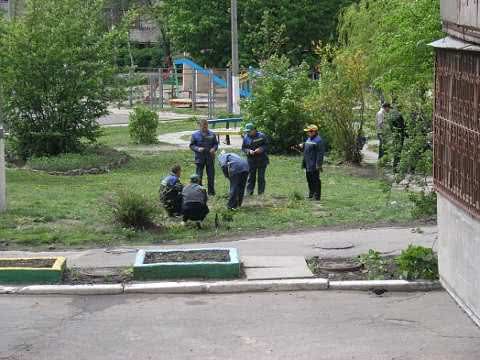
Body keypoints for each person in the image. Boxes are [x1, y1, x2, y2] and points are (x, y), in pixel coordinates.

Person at [189, 119, 219, 196]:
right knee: (199, 175)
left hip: (210, 158)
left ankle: (211, 192)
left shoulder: (212, 134)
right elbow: (191, 145)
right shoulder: (195, 135)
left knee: (211, 176)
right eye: (203, 127)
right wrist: (198, 149)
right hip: (200, 158)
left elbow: (216, 144)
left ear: (207, 125)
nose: (204, 128)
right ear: (199, 126)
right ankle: (199, 192)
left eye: (206, 126)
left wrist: (214, 149)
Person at [298, 125, 325, 201]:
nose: (307, 133)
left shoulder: (319, 140)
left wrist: (318, 165)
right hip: (307, 163)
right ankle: (311, 194)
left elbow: (320, 154)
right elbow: (308, 146)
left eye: (309, 131)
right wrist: (303, 145)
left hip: (314, 164)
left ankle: (317, 196)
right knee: (309, 178)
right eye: (307, 132)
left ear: (314, 132)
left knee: (315, 179)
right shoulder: (309, 138)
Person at [241, 123, 269, 195]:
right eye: (246, 131)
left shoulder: (262, 136)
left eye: (249, 131)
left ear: (254, 130)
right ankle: (249, 193)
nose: (247, 132)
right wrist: (248, 151)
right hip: (251, 160)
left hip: (262, 160)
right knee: (251, 177)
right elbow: (243, 148)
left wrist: (261, 149)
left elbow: (267, 145)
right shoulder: (245, 137)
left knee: (261, 177)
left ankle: (261, 193)